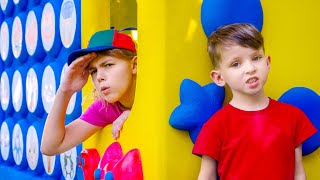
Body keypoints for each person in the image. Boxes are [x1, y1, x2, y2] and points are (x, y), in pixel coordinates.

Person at [192, 23, 317, 180]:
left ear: (267, 62)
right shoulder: (215, 126)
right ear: (219, 77)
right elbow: (206, 177)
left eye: (256, 58)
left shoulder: (293, 117)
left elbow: (298, 173)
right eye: (236, 64)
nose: (250, 68)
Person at [41, 29, 137, 156]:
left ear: (134, 65)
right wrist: (65, 91)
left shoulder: (156, 92)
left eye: (108, 65)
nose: (99, 77)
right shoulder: (105, 107)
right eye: (93, 71)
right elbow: (50, 147)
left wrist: (134, 115)